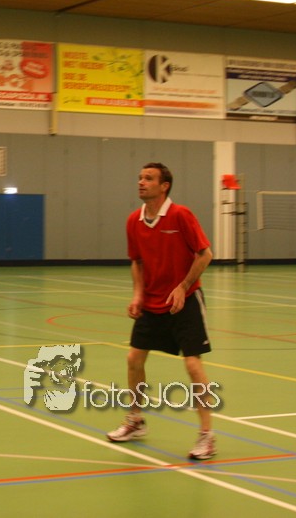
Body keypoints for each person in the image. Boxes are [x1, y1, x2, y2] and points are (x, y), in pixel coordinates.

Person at [107, 162, 216, 460]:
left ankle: (207, 436)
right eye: (140, 177)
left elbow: (205, 254)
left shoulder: (181, 215)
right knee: (134, 359)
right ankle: (135, 420)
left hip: (185, 300)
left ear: (164, 186)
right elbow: (137, 261)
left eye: (148, 178)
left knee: (193, 365)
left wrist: (183, 286)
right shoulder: (134, 220)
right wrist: (138, 294)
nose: (141, 182)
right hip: (153, 301)